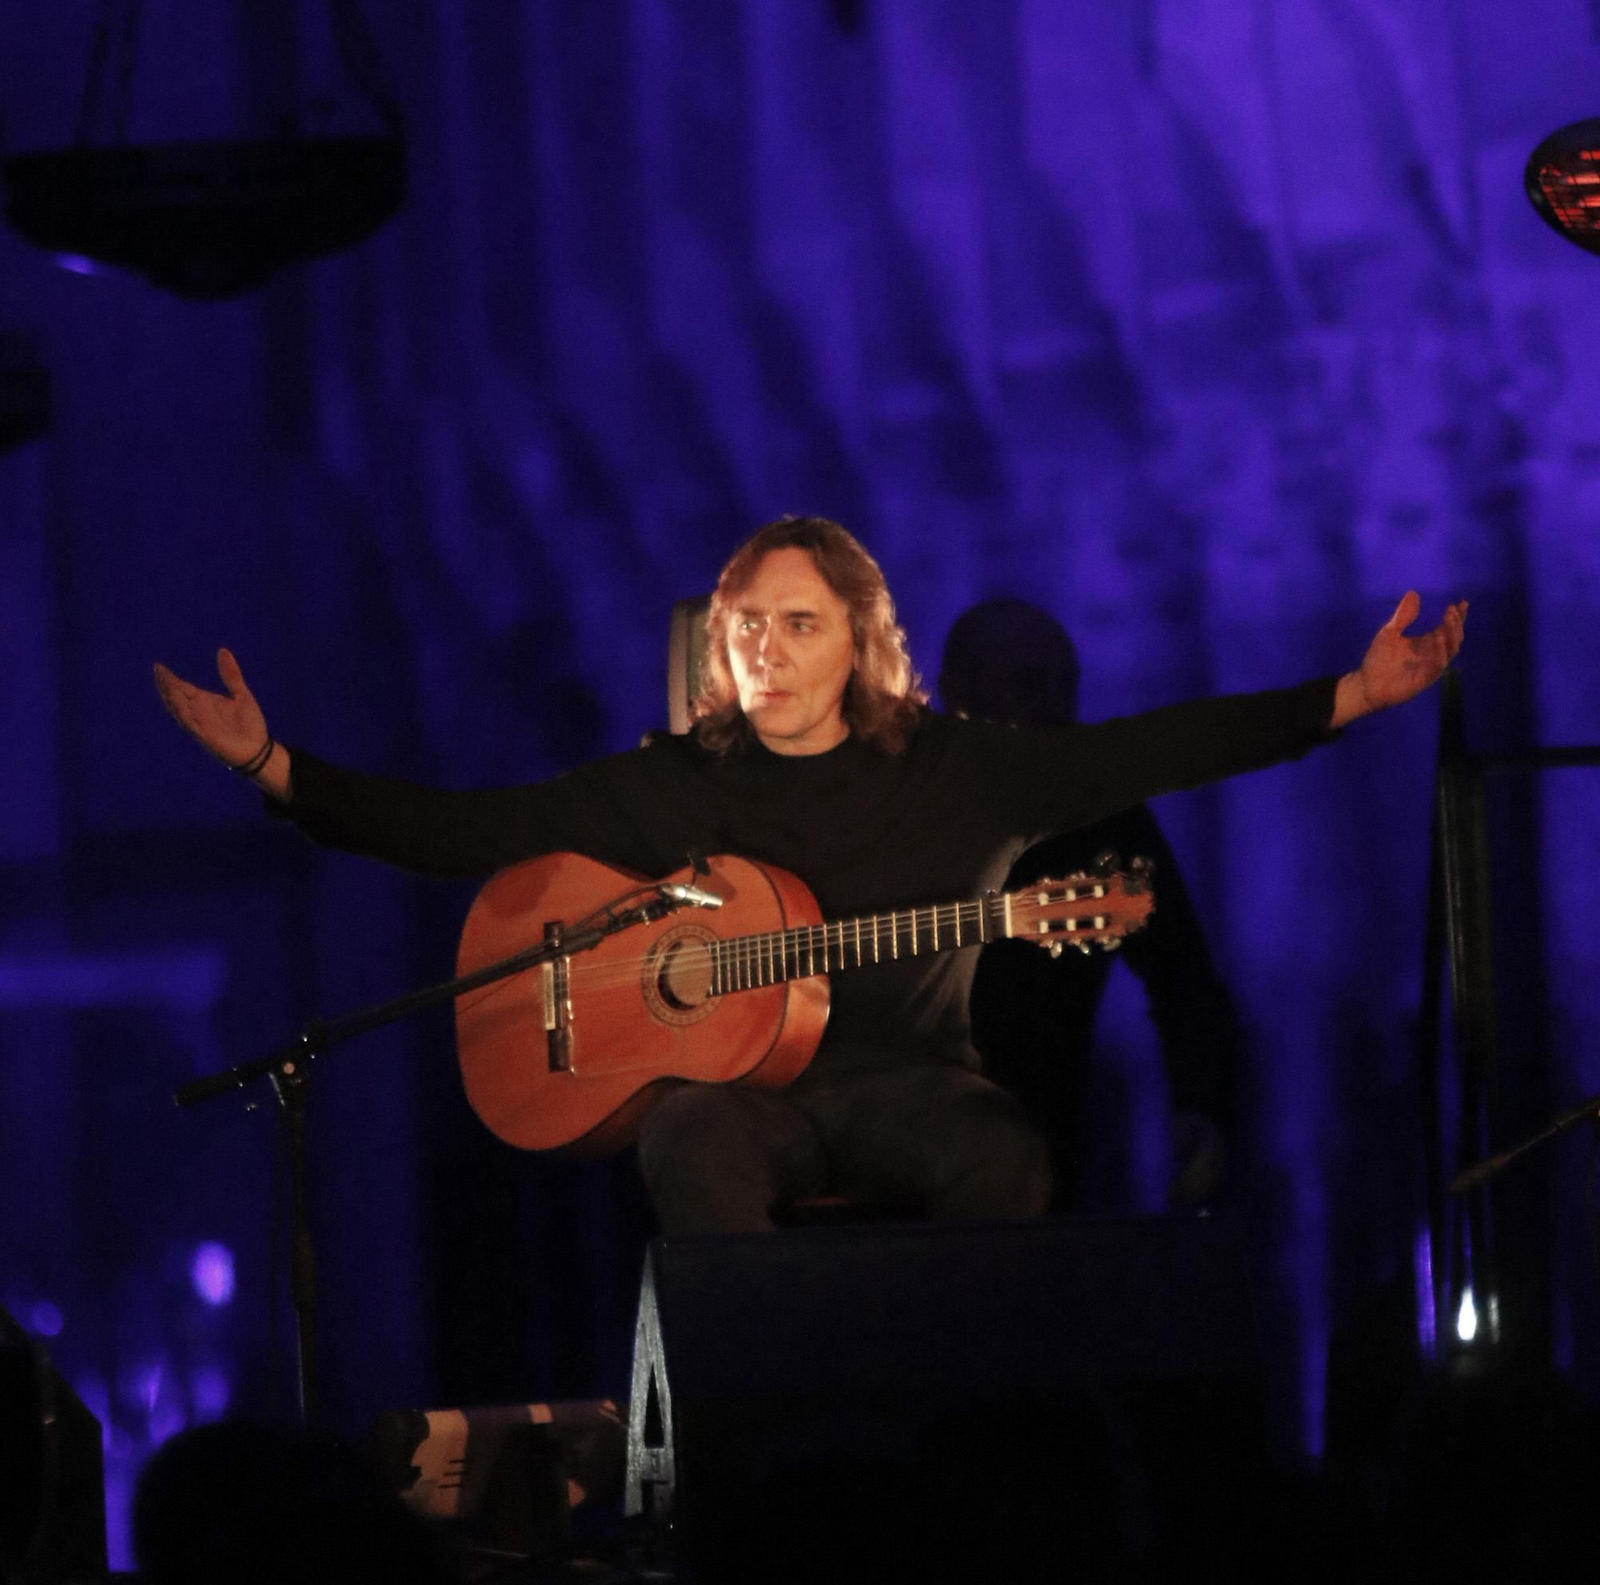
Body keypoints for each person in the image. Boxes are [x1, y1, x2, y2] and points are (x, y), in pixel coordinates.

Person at [154, 517, 1466, 1234]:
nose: (769, 650)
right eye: (747, 627)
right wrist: (272, 761)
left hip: (922, 1086)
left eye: (801, 622)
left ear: (864, 639)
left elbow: (1160, 743)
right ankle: (756, 1451)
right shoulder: (684, 778)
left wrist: (1350, 694)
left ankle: (974, 1447)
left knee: (1005, 1162)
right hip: (747, 1094)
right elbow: (466, 829)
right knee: (690, 1140)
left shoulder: (965, 766)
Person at [938, 599, 1242, 1210]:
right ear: (957, 691)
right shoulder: (902, 805)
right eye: (1029, 683)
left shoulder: (1101, 815)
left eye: (1064, 685)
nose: (1052, 706)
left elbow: (1182, 976)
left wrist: (1201, 1105)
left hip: (1042, 1146)